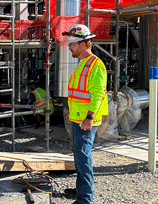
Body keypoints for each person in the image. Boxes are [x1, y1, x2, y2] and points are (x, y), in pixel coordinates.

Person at [62, 24, 108, 204]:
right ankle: (82, 190)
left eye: (72, 44)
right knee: (79, 156)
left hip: (85, 121)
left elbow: (97, 94)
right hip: (78, 118)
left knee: (83, 158)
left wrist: (89, 118)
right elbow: (79, 93)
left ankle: (85, 198)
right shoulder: (83, 63)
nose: (69, 48)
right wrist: (73, 112)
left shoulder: (96, 65)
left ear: (82, 44)